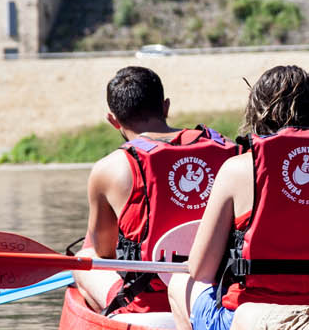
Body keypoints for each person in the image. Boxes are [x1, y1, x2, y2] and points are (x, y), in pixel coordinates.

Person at [168, 65, 309, 330]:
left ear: (258, 108)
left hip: (249, 318)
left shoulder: (238, 168)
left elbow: (200, 269)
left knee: (180, 282)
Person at [72, 65, 239, 316]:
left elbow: (103, 254)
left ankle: (113, 320)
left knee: (84, 258)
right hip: (219, 294)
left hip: (150, 306)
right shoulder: (230, 149)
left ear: (112, 120)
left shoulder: (109, 168)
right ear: (166, 107)